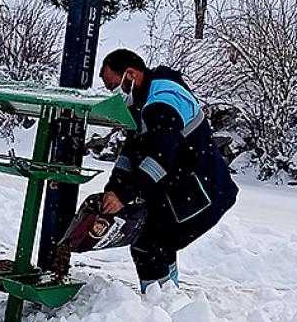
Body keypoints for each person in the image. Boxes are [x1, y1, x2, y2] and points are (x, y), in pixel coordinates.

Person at [98, 49, 239, 293]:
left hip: (204, 193)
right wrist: (114, 188)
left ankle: (160, 306)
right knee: (154, 242)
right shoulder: (146, 98)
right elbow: (131, 151)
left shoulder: (162, 103)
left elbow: (159, 159)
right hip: (183, 190)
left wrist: (124, 195)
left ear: (130, 74)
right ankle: (167, 300)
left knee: (148, 244)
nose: (116, 94)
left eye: (114, 86)